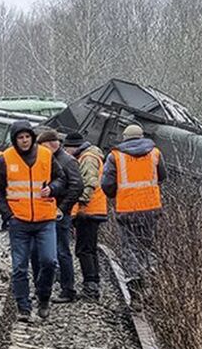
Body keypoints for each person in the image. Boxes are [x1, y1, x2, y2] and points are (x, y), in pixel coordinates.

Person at [0, 120, 67, 322]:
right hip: (19, 221)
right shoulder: (5, 159)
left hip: (45, 219)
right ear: (14, 140)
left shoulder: (46, 155)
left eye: (27, 137)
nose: (24, 141)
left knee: (49, 261)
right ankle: (23, 307)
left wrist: (53, 188)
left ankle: (43, 298)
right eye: (20, 138)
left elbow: (61, 179)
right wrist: (8, 215)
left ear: (32, 137)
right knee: (19, 267)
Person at [101, 124, 166, 304]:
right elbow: (162, 176)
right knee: (148, 246)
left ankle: (135, 289)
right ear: (142, 136)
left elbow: (106, 183)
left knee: (130, 248)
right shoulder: (155, 153)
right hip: (151, 208)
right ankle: (151, 283)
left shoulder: (115, 156)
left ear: (124, 138)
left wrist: (116, 194)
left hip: (127, 210)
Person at [37, 128, 84, 303]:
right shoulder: (58, 159)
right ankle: (61, 285)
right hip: (53, 210)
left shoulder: (67, 161)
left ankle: (68, 290)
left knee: (62, 250)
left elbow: (76, 186)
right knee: (56, 250)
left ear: (50, 144)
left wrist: (62, 208)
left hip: (59, 212)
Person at [66, 132, 107, 300]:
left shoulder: (88, 158)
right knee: (89, 248)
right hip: (93, 209)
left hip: (89, 210)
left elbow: (89, 183)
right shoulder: (89, 155)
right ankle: (93, 283)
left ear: (72, 147)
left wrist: (77, 202)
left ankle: (91, 287)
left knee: (84, 250)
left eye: (66, 148)